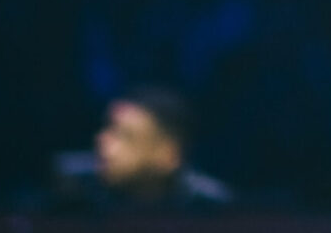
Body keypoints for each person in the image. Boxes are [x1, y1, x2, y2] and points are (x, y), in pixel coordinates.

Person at [81, 85, 233, 211]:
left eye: (125, 135)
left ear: (168, 153)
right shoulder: (80, 197)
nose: (101, 140)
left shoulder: (216, 211)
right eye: (107, 128)